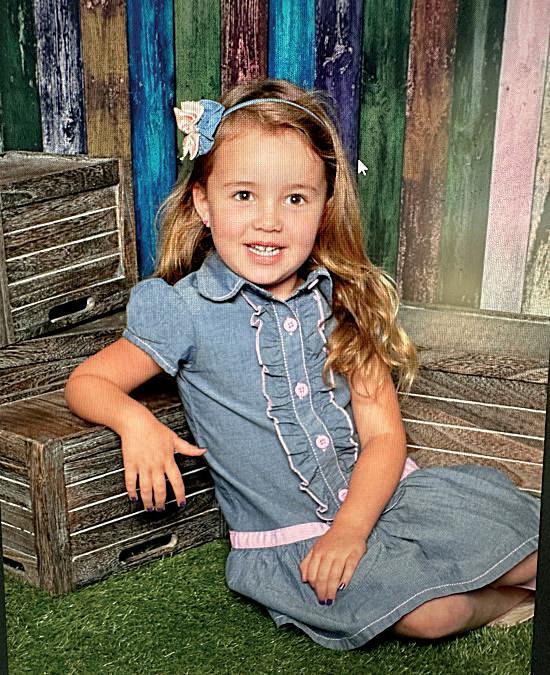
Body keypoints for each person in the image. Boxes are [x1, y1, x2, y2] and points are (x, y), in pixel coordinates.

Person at [64, 78, 539, 650]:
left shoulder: (344, 302)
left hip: (386, 498)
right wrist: (135, 424)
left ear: (323, 207)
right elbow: (89, 381)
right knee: (433, 616)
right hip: (290, 540)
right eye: (244, 195)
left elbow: (384, 437)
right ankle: (510, 604)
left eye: (294, 198)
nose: (269, 220)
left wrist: (352, 528)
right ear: (203, 203)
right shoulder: (182, 310)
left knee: (524, 550)